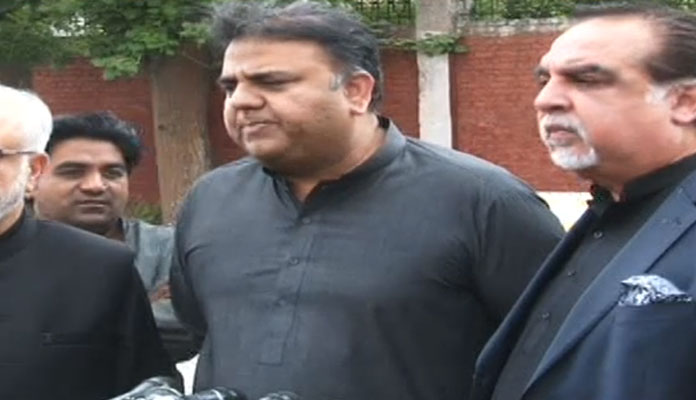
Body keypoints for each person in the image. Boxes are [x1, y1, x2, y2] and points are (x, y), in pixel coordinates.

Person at [170, 2, 564, 399]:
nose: (241, 101)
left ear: (356, 91)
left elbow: (556, 360)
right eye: (230, 86)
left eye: (271, 82)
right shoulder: (210, 200)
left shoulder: (485, 204)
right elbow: (199, 327)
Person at [471, 5, 696, 400]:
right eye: (544, 79)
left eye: (586, 79)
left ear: (685, 102)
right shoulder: (605, 209)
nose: (545, 100)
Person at [0, 85, 176, 399]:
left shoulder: (104, 268)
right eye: (73, 171)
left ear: (33, 171)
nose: (95, 186)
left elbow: (146, 383)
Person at [30, 111, 196, 362]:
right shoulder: (10, 251)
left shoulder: (171, 249)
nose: (96, 185)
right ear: (32, 178)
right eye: (73, 172)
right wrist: (140, 309)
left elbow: (187, 330)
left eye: (112, 173)